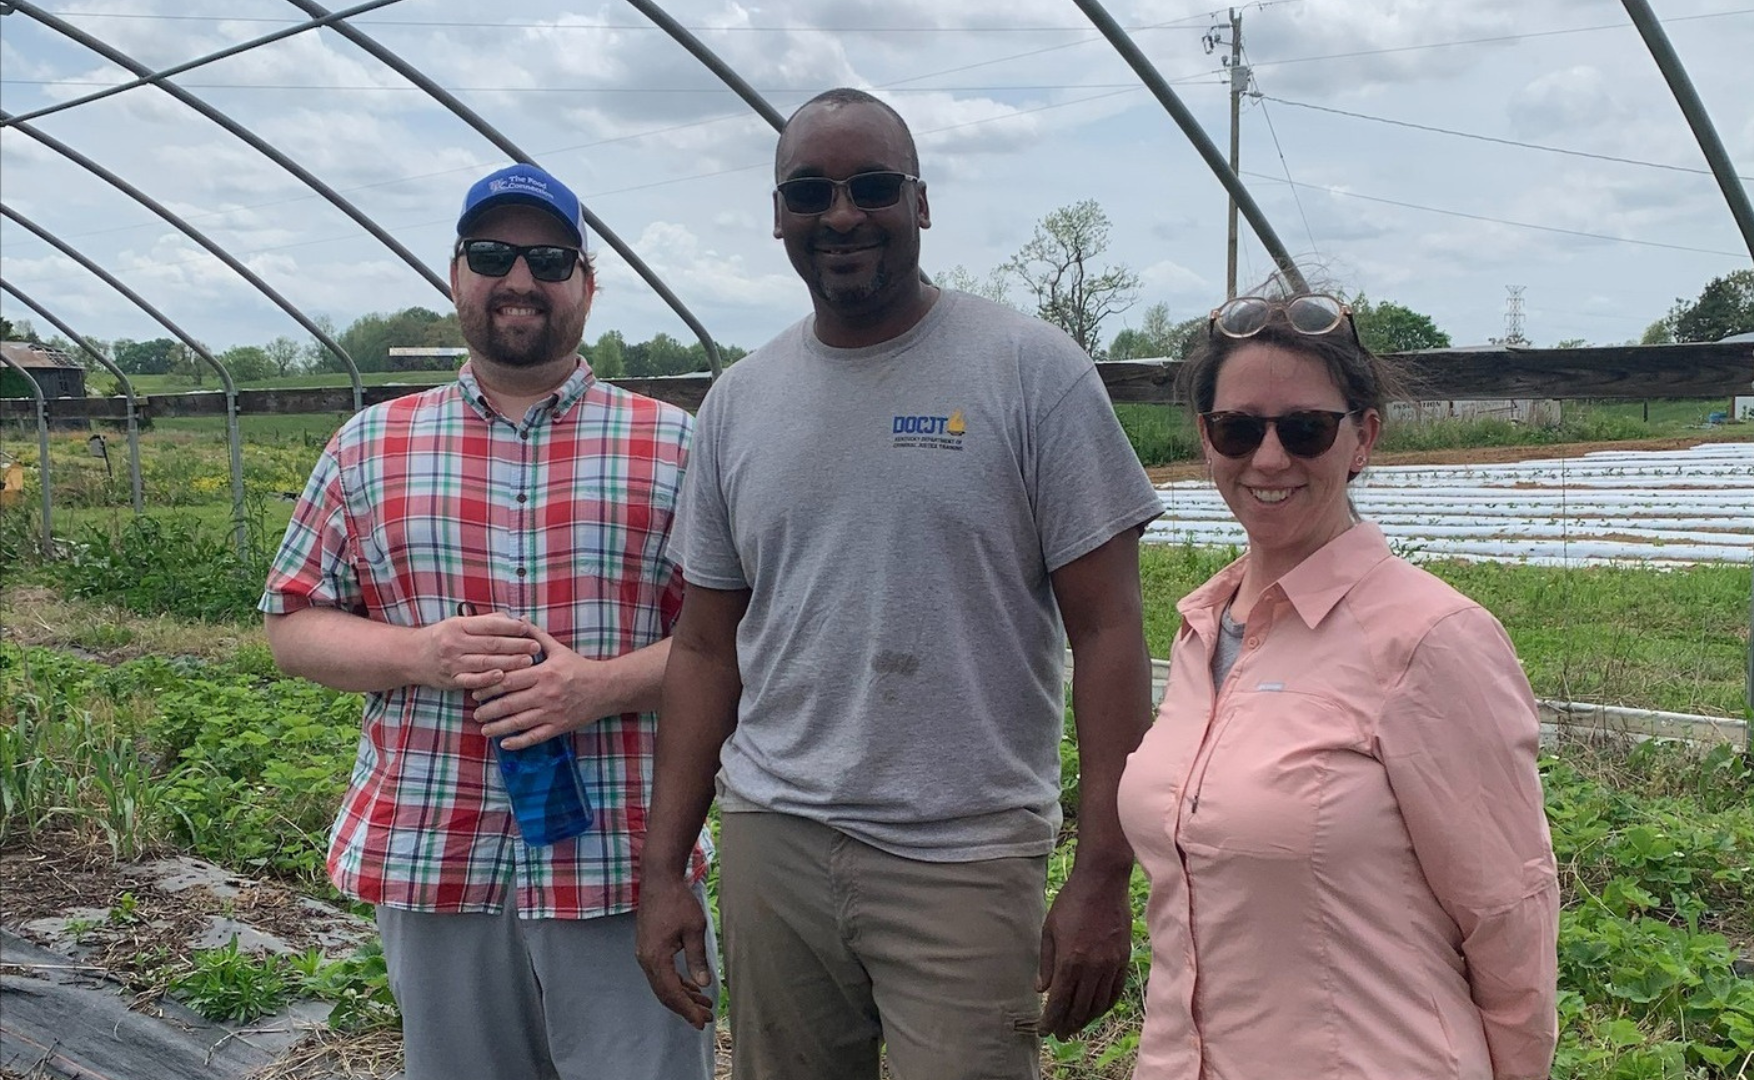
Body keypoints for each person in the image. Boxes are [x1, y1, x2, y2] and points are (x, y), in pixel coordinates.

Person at [634, 88, 1164, 1080]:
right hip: (772, 840)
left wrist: (1102, 873)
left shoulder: (1029, 373)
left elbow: (1109, 632)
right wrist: (665, 870)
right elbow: (705, 647)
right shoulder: (740, 404)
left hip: (962, 856)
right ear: (778, 214)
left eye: (871, 187)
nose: (841, 215)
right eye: (810, 192)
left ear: (919, 204)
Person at [259, 162, 713, 1080]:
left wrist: (599, 687)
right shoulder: (369, 444)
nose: (519, 279)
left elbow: (734, 640)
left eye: (548, 259)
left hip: (621, 863)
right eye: (492, 254)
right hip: (437, 851)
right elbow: (292, 623)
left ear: (586, 283)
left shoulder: (674, 444)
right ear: (455, 273)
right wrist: (418, 652)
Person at [1115, 290, 1560, 1080]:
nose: (1271, 458)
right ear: (1207, 440)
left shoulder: (1431, 640)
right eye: (1239, 429)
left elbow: (1508, 918)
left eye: (1307, 429)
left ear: (1364, 439)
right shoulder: (1202, 629)